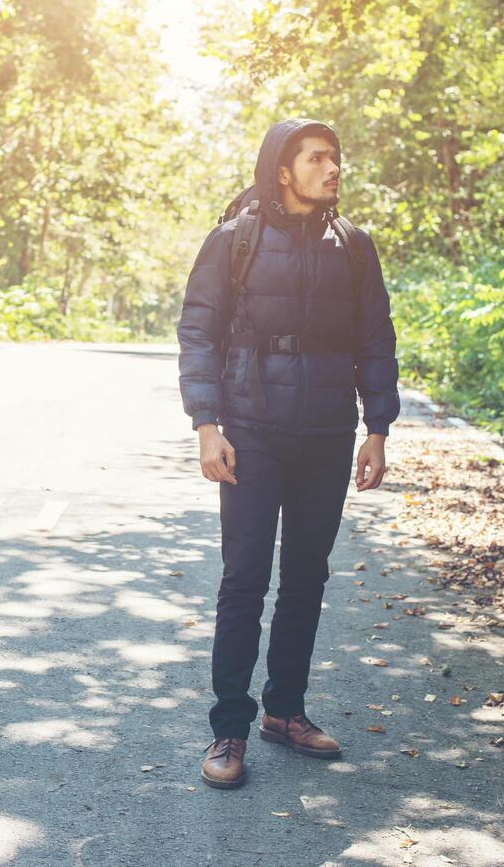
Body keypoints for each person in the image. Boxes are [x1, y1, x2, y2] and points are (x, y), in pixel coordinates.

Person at [176, 117, 400, 789]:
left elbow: (374, 340)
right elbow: (198, 331)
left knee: (305, 577)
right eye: (316, 159)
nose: (332, 169)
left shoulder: (353, 247)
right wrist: (206, 424)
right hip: (252, 430)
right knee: (244, 579)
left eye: (335, 158)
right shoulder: (234, 241)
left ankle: (285, 712)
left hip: (326, 434)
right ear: (283, 169)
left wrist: (378, 429)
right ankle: (229, 728)